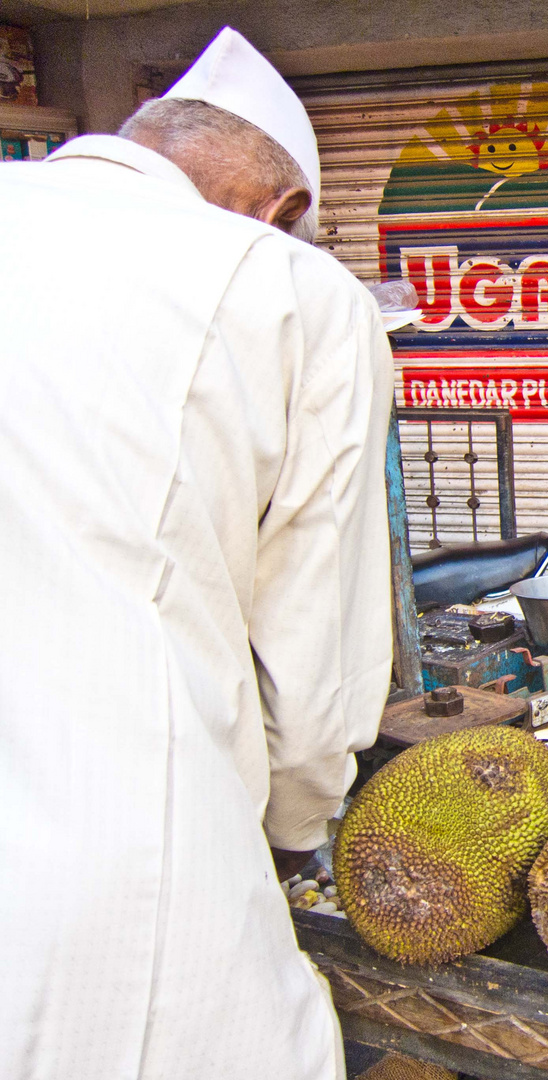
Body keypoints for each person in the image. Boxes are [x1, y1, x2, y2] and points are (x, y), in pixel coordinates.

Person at [0, 26, 393, 1080]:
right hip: (124, 917)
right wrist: (295, 829)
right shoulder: (292, 292)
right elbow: (314, 682)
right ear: (278, 211)